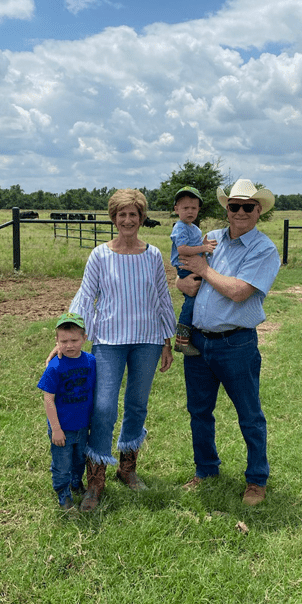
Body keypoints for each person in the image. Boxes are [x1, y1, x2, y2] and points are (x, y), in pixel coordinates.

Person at [49, 188, 176, 512]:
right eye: (122, 214)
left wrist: (166, 339)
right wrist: (66, 339)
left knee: (136, 404)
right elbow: (84, 295)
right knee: (104, 407)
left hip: (147, 340)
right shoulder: (100, 256)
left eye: (134, 214)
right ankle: (96, 479)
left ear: (142, 218)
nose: (128, 220)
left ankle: (127, 469)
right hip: (108, 342)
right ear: (114, 218)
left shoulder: (152, 256)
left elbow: (162, 298)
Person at [176, 178, 280, 506]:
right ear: (227, 208)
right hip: (198, 342)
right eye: (233, 206)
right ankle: (206, 469)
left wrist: (204, 271)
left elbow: (238, 292)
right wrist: (184, 284)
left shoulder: (264, 249)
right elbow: (184, 269)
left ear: (258, 210)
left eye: (247, 207)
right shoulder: (211, 239)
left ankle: (256, 480)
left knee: (249, 414)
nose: (239, 212)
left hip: (236, 344)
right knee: (199, 411)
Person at [38, 312, 96, 511]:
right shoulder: (55, 367)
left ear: (84, 338)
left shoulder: (91, 362)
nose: (69, 345)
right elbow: (48, 398)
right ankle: (63, 493)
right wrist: (56, 429)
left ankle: (76, 482)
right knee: (62, 463)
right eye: (64, 341)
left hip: (83, 426)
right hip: (62, 428)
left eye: (74, 340)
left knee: (79, 460)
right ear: (56, 341)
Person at [170, 186, 217, 357]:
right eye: (185, 208)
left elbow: (196, 247)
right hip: (185, 268)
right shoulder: (180, 227)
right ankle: (182, 340)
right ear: (176, 209)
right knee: (191, 300)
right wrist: (204, 247)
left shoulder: (194, 229)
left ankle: (194, 331)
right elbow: (182, 249)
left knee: (199, 296)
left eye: (194, 208)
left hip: (193, 265)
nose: (190, 211)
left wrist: (203, 245)